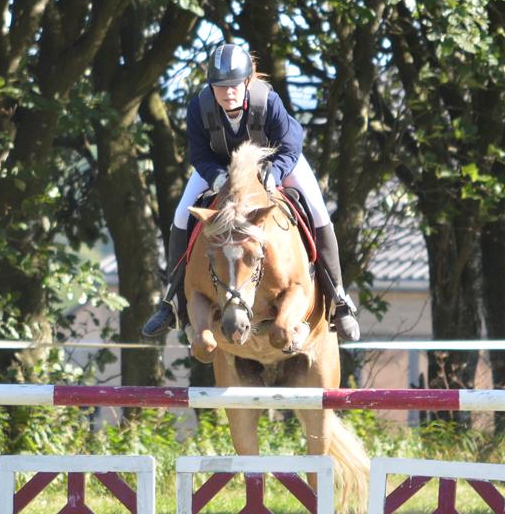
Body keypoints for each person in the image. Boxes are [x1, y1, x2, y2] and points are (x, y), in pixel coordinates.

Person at [142, 42, 360, 341]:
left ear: (247, 82)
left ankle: (339, 300)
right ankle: (171, 302)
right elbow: (199, 154)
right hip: (221, 168)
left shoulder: (268, 101)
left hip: (275, 162)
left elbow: (291, 144)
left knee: (319, 211)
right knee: (181, 215)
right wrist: (217, 178)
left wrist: (277, 173)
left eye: (233, 85)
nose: (227, 92)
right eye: (220, 86)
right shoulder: (199, 108)